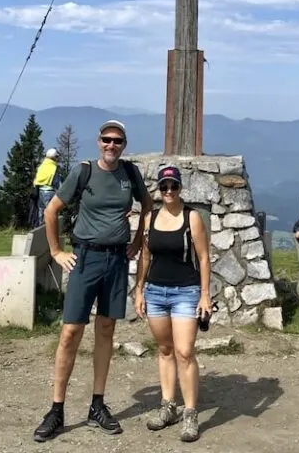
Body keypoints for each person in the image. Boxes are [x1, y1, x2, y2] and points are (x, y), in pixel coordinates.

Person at [33, 119, 152, 442]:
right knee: (71, 331)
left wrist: (138, 239)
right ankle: (56, 409)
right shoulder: (83, 172)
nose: (111, 145)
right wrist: (56, 251)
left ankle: (97, 405)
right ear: (98, 142)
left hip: (116, 259)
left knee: (106, 330)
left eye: (117, 141)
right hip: (85, 258)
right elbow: (51, 210)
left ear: (124, 144)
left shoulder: (130, 174)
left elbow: (148, 206)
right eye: (106, 140)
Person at [135, 165, 212, 443]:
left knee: (184, 351)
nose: (168, 191)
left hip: (185, 291)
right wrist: (139, 289)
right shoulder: (149, 218)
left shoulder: (192, 218)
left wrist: (205, 294)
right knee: (165, 349)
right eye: (164, 186)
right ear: (159, 189)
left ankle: (190, 412)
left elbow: (203, 257)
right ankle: (168, 405)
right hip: (155, 290)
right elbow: (145, 255)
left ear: (180, 188)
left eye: (173, 186)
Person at [33, 147, 62, 226]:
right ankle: (50, 233)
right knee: (51, 214)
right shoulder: (53, 168)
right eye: (57, 157)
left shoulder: (41, 167)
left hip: (40, 192)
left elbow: (36, 180)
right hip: (49, 193)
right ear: (54, 157)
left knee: (41, 214)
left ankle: (39, 233)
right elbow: (57, 183)